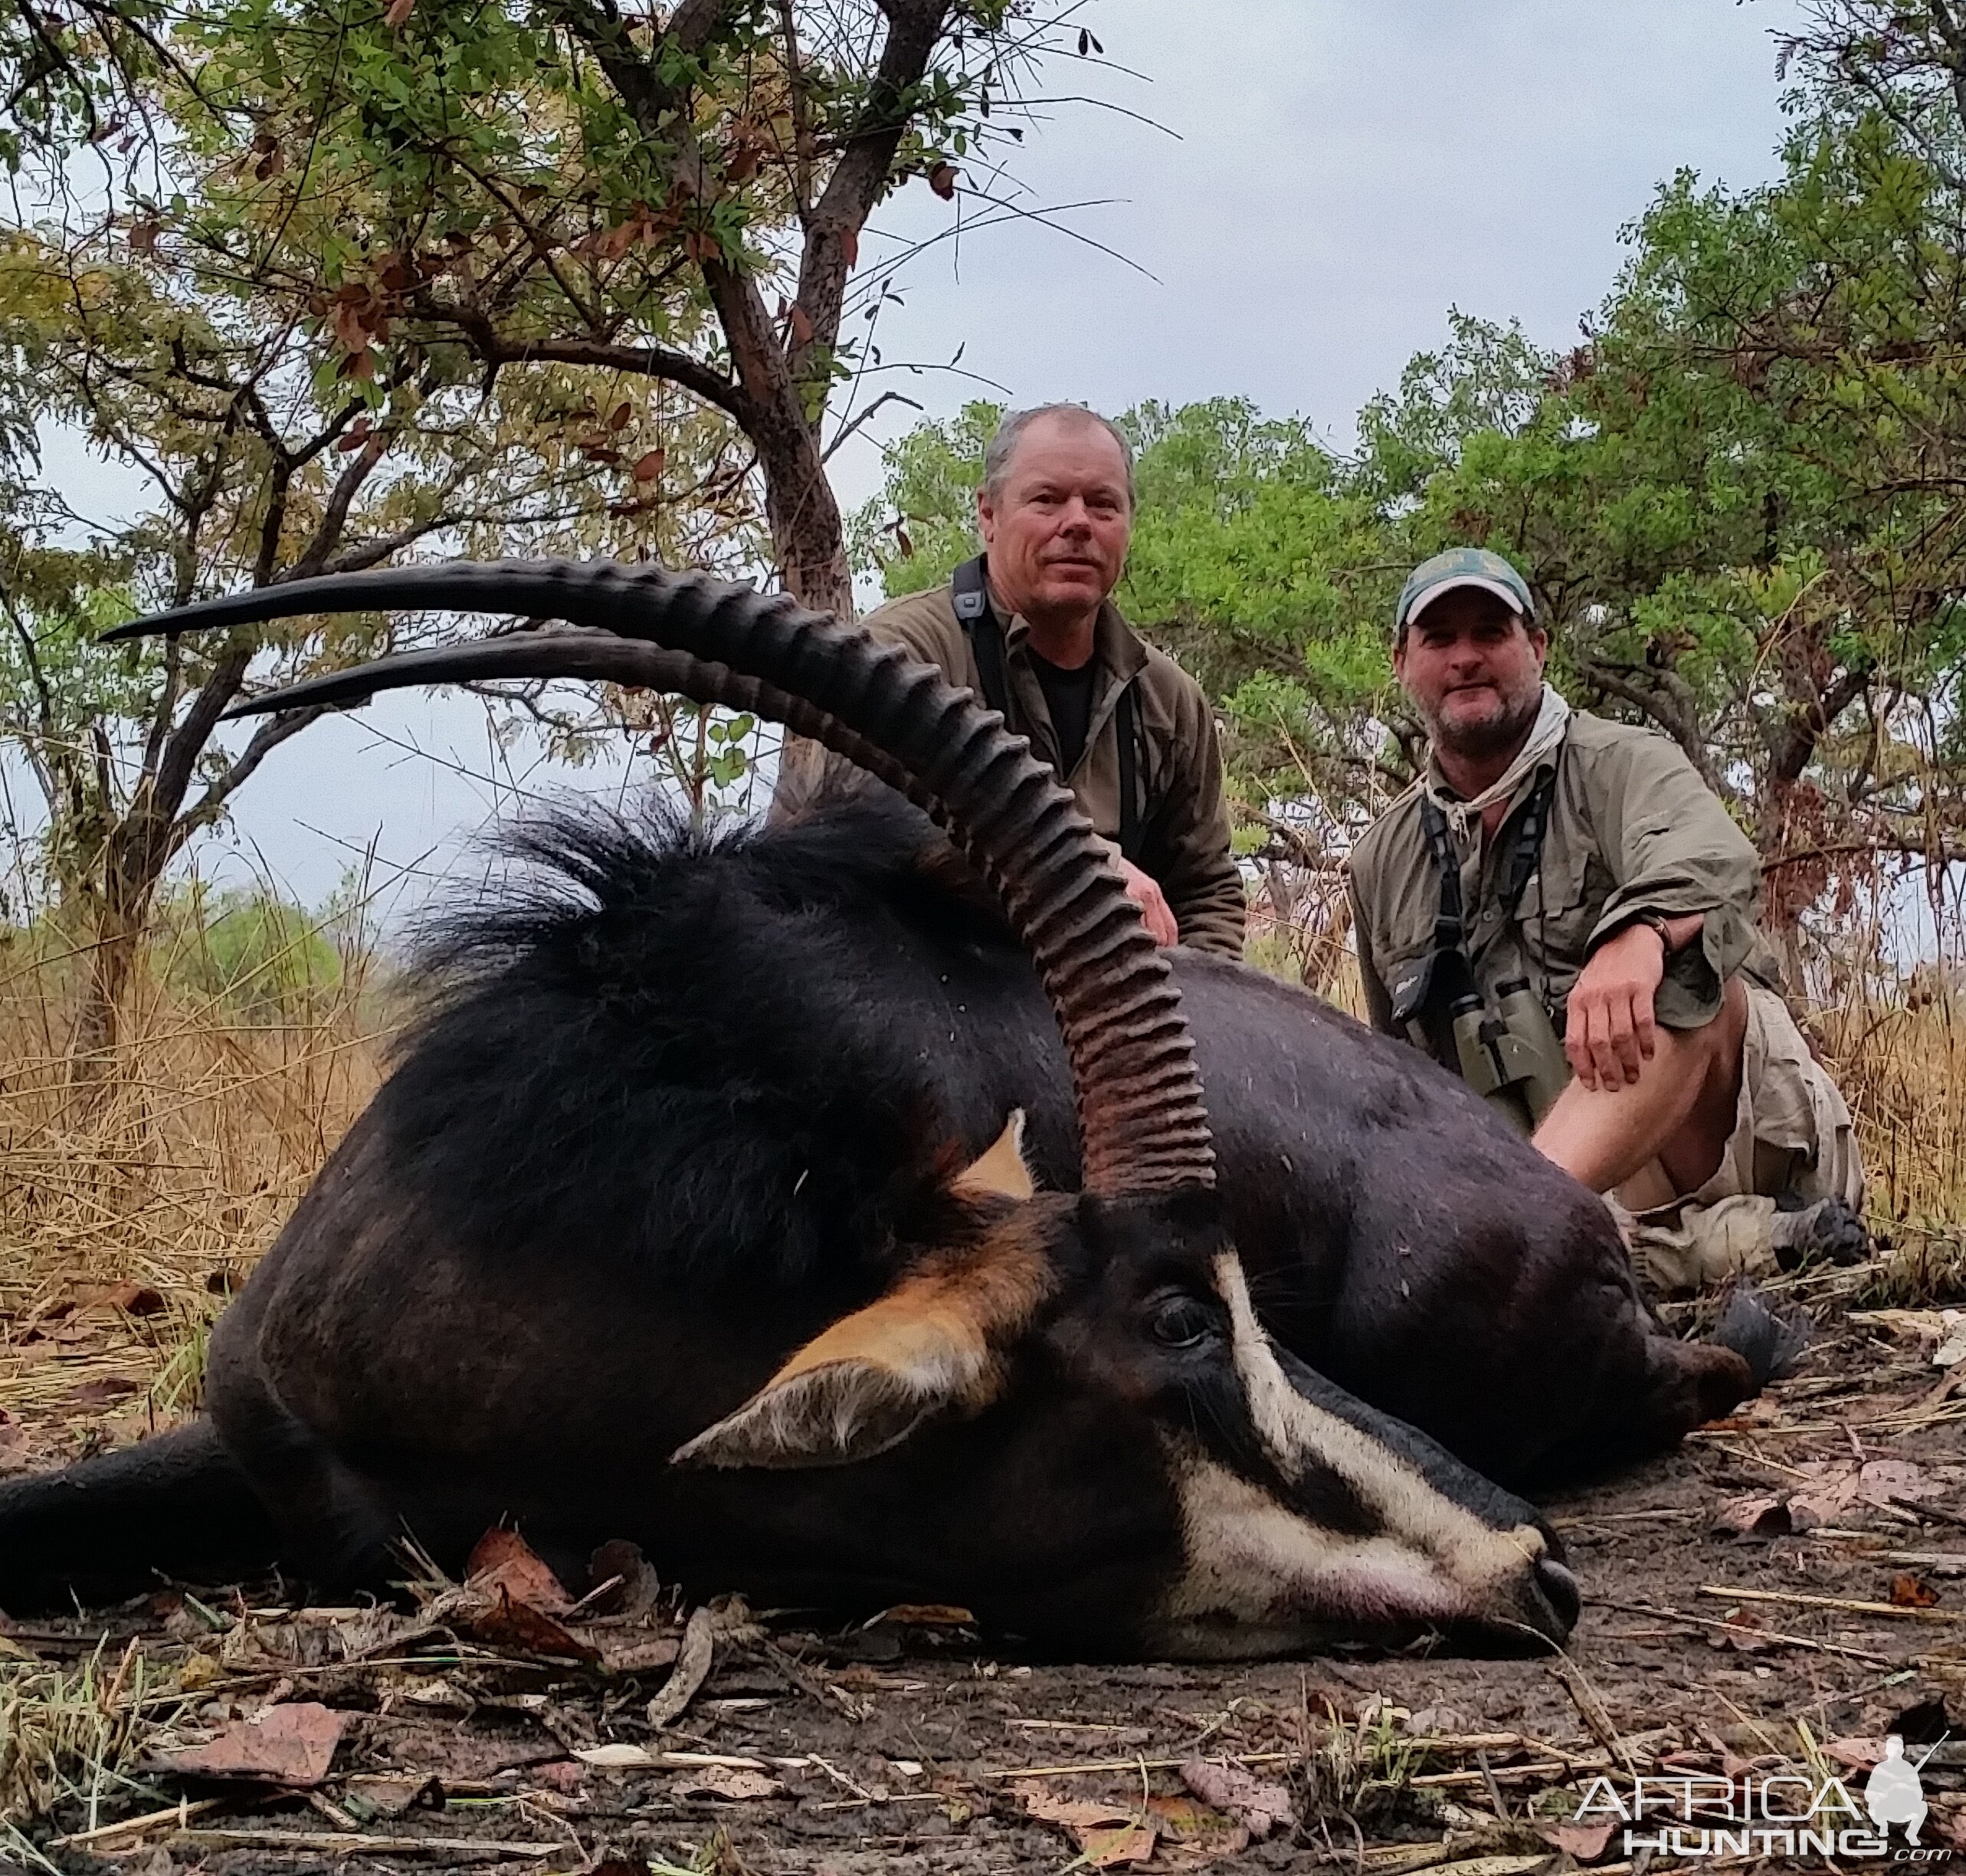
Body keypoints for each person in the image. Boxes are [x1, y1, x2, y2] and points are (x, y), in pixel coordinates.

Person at [1345, 546, 1866, 1292]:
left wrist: (1636, 940)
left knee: (1691, 975)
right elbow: (1396, 1079)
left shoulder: (1626, 761)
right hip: (1564, 1200)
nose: (1465, 658)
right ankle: (1697, 1254)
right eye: (1439, 639)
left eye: (1490, 633)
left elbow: (1716, 860)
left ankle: (1526, 1232)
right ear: (1401, 661)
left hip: (1724, 1147)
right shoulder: (1379, 860)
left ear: (1537, 648)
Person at [811, 402, 1246, 958]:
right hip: (923, 991)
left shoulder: (1169, 699)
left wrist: (1194, 1021)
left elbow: (1206, 889)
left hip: (1109, 1017)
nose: (1078, 523)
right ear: (988, 514)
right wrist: (1086, 865)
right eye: (1047, 500)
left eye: (1103, 504)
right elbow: (865, 831)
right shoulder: (902, 654)